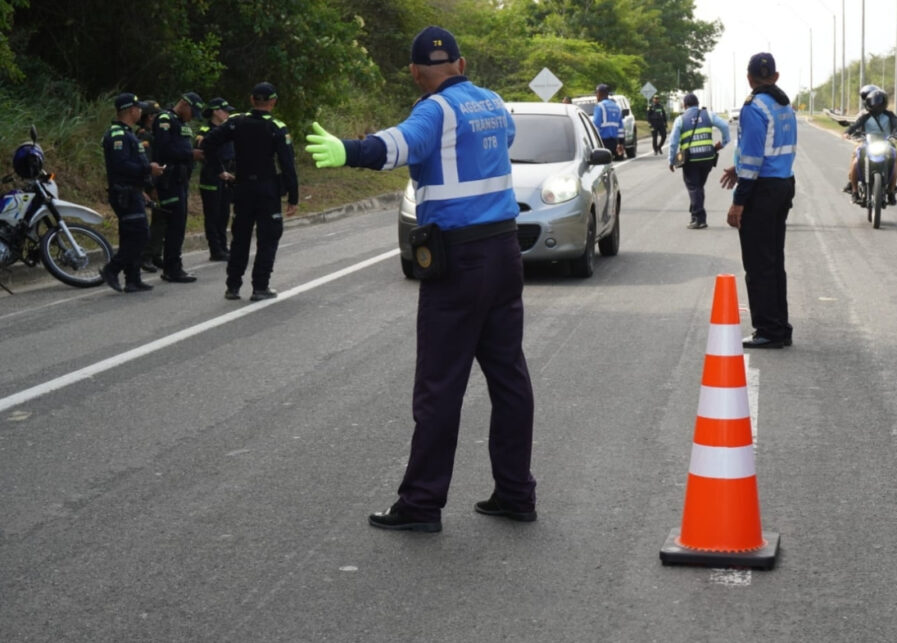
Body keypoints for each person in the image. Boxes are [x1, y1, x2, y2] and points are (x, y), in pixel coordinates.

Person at [305, 25, 536, 533]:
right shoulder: (493, 103)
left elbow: (398, 145)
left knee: (439, 385)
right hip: (503, 252)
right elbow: (500, 143)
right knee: (509, 377)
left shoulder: (434, 109)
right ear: (462, 62)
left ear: (414, 73)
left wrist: (348, 150)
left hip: (459, 263)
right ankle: (517, 493)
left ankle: (421, 503)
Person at [719, 52, 797, 349]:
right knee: (774, 261)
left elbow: (752, 159)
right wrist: (737, 169)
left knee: (758, 264)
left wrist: (738, 201)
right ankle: (780, 326)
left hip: (762, 191)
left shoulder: (754, 108)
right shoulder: (784, 105)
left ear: (749, 78)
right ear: (775, 77)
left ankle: (768, 330)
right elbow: (770, 151)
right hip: (782, 185)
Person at [200, 82, 297, 301]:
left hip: (242, 189)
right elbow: (287, 164)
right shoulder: (276, 127)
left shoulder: (236, 122)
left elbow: (207, 144)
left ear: (252, 100)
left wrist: (219, 170)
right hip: (267, 190)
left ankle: (232, 286)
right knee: (268, 238)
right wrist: (293, 196)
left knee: (240, 238)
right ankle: (260, 287)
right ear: (273, 102)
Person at [99, 93, 165, 293]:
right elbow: (121, 165)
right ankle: (112, 269)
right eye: (138, 108)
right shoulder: (118, 134)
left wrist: (141, 189)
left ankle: (133, 279)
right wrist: (148, 169)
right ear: (130, 110)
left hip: (132, 191)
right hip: (124, 193)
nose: (141, 111)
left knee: (130, 236)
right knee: (140, 236)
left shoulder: (128, 133)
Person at [152, 91, 204, 283]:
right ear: (184, 104)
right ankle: (172, 268)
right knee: (175, 225)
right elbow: (163, 150)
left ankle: (173, 266)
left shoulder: (180, 123)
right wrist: (190, 154)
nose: (192, 117)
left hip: (180, 180)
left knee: (179, 225)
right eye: (192, 112)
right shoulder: (165, 119)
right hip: (169, 180)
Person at [667, 92, 731, 229]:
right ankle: (694, 215)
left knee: (693, 187)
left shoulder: (680, 119)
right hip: (708, 158)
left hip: (690, 159)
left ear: (684, 105)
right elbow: (725, 126)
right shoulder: (708, 114)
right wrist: (723, 143)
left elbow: (673, 142)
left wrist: (671, 160)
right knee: (698, 187)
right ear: (697, 104)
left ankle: (699, 218)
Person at [842, 88, 897, 205]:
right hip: (867, 142)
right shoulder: (865, 116)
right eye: (873, 102)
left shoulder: (890, 115)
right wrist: (847, 132)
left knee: (895, 157)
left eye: (878, 102)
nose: (876, 105)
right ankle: (854, 190)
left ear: (884, 102)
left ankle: (891, 190)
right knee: (856, 157)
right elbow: (855, 126)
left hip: (886, 142)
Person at [195, 97, 236, 261]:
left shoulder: (228, 129)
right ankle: (215, 249)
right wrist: (219, 170)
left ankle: (223, 246)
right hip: (212, 175)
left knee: (224, 213)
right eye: (224, 110)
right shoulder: (205, 131)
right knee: (212, 214)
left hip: (227, 175)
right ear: (215, 111)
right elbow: (202, 153)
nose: (227, 114)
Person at [136, 100, 163, 273]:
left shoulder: (155, 133)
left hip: (159, 180)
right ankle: (146, 256)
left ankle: (155, 254)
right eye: (153, 115)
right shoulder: (144, 135)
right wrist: (151, 186)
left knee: (161, 220)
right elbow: (146, 161)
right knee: (156, 221)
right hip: (151, 183)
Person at [592, 83, 624, 159]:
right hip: (614, 142)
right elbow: (621, 128)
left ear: (600, 93)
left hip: (602, 142)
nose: (596, 96)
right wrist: (621, 143)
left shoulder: (599, 106)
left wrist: (593, 141)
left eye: (596, 93)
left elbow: (596, 125)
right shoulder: (616, 107)